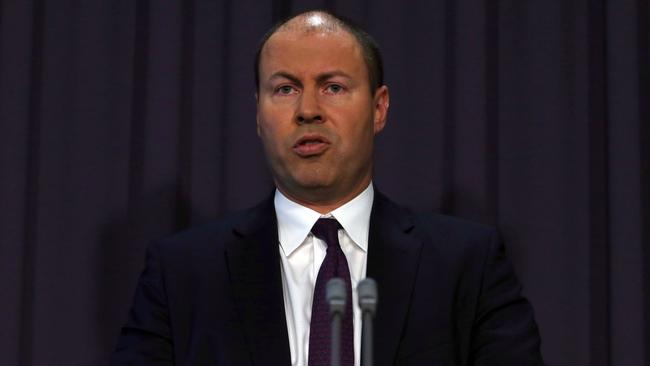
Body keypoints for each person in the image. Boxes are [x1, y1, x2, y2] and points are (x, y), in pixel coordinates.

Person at [111, 10, 543, 366]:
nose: (308, 111)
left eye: (333, 87)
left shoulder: (467, 264)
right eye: (285, 89)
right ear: (258, 115)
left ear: (379, 108)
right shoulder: (182, 273)